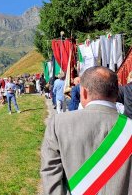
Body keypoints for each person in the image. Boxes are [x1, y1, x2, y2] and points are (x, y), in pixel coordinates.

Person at [41, 66, 132, 194]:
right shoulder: (129, 128)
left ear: (83, 92)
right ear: (117, 93)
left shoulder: (59, 124)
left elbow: (51, 177)